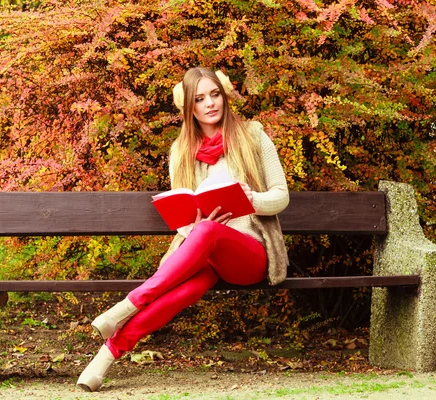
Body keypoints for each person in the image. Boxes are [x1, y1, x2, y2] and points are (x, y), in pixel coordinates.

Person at [77, 67, 290, 392]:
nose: (209, 104)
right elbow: (183, 214)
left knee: (207, 233)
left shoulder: (253, 135)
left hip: (249, 253)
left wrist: (253, 200)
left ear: (225, 95)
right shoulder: (180, 152)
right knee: (185, 287)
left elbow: (281, 195)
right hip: (205, 254)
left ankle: (125, 307)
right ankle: (105, 357)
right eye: (200, 98)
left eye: (215, 94)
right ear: (188, 107)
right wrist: (195, 223)